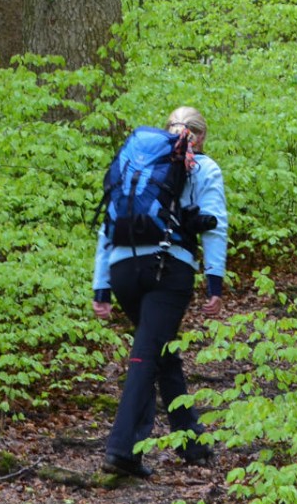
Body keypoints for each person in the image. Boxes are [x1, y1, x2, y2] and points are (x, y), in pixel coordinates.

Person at [92, 106, 228, 478]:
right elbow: (215, 226)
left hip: (122, 270)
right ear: (198, 137)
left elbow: (108, 224)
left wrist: (101, 286)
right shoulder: (202, 166)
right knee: (146, 355)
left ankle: (191, 442)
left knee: (161, 350)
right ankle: (122, 449)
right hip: (167, 270)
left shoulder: (134, 166)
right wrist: (214, 281)